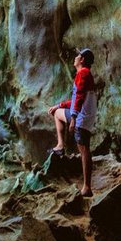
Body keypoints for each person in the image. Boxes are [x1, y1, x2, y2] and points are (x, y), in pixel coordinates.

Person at [48, 48, 97, 196]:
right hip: (84, 114)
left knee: (84, 150)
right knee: (57, 113)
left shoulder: (83, 73)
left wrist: (74, 118)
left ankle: (87, 187)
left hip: (82, 116)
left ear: (82, 60)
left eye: (78, 55)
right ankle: (61, 145)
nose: (75, 58)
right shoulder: (84, 74)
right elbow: (76, 98)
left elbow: (80, 96)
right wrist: (59, 105)